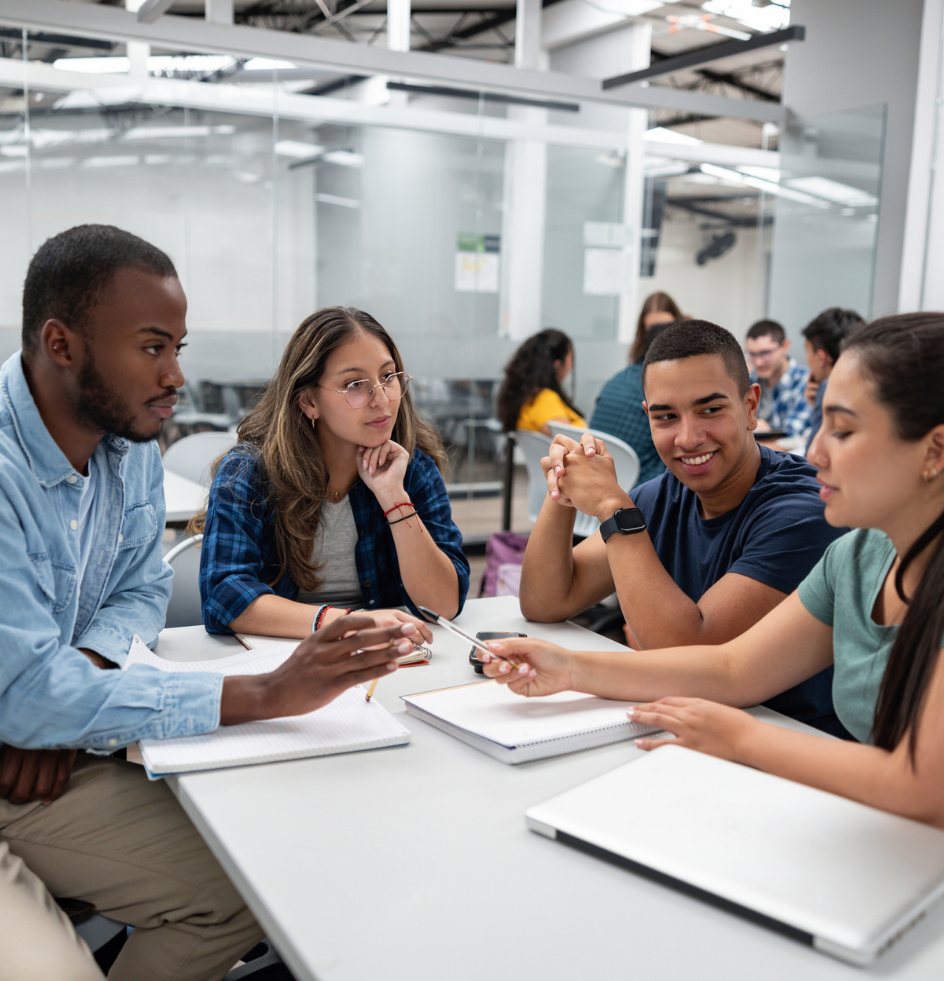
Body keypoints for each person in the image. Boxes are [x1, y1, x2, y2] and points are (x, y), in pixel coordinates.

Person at [0, 225, 416, 981]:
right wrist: (266, 692)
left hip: (42, 753)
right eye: (152, 347)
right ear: (61, 344)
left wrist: (79, 679)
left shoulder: (128, 451)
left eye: (178, 350)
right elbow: (26, 697)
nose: (175, 377)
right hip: (16, 757)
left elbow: (141, 590)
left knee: (251, 882)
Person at [486, 312, 944, 829]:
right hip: (878, 821)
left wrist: (741, 738)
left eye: (842, 430)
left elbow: (932, 792)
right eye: (820, 422)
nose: (816, 451)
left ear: (936, 450)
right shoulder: (861, 554)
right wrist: (570, 668)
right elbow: (732, 668)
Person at [518, 320, 847, 734]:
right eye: (667, 417)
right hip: (695, 730)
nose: (688, 437)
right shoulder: (663, 494)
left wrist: (612, 506)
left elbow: (692, 654)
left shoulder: (802, 509)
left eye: (710, 410)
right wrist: (563, 483)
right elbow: (544, 601)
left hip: (794, 739)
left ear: (750, 406)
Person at [198, 307, 469, 639]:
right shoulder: (250, 472)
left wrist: (393, 497)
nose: (382, 399)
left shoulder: (413, 469)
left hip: (384, 660)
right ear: (309, 401)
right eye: (355, 384)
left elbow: (443, 604)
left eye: (388, 376)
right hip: (285, 661)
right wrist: (348, 624)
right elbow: (224, 598)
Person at [590, 291, 684, 485]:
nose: (662, 335)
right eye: (655, 329)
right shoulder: (656, 388)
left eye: (668, 328)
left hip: (602, 483)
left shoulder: (618, 380)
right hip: (637, 486)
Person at [495, 328, 585, 436]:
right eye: (571, 358)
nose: (572, 365)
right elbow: (568, 441)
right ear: (558, 364)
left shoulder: (527, 399)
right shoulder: (544, 400)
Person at [801, 307, 865, 450]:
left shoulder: (828, 388)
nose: (808, 360)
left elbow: (810, 462)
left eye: (808, 351)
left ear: (821, 357)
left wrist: (821, 404)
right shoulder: (867, 384)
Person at [745, 319, 811, 450]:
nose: (758, 362)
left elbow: (793, 437)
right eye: (752, 354)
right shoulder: (750, 380)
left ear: (785, 346)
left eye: (765, 353)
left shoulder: (806, 382)